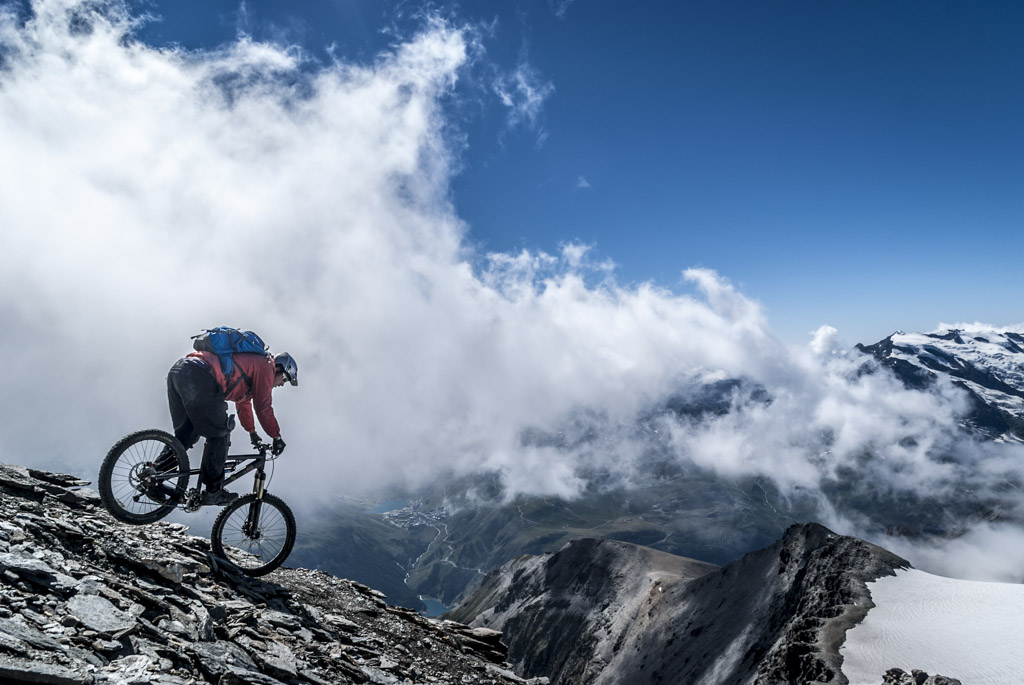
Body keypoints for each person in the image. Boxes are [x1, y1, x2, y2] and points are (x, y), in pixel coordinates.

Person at [157, 348, 298, 505]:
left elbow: (244, 406)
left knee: (186, 434)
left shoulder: (253, 371)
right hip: (200, 375)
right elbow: (263, 407)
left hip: (180, 371)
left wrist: (252, 433)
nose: (282, 384)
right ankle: (213, 491)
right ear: (278, 368)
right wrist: (276, 436)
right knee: (221, 431)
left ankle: (153, 477)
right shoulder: (266, 368)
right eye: (285, 379)